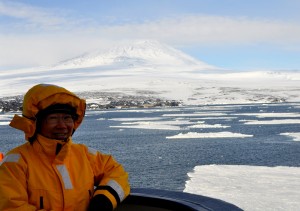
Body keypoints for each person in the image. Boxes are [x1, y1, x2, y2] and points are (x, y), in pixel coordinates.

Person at [0, 84, 130, 210]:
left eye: (67, 118)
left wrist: (104, 200)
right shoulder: (15, 163)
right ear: (35, 124)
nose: (62, 125)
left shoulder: (84, 155)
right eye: (53, 118)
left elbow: (116, 173)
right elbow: (11, 207)